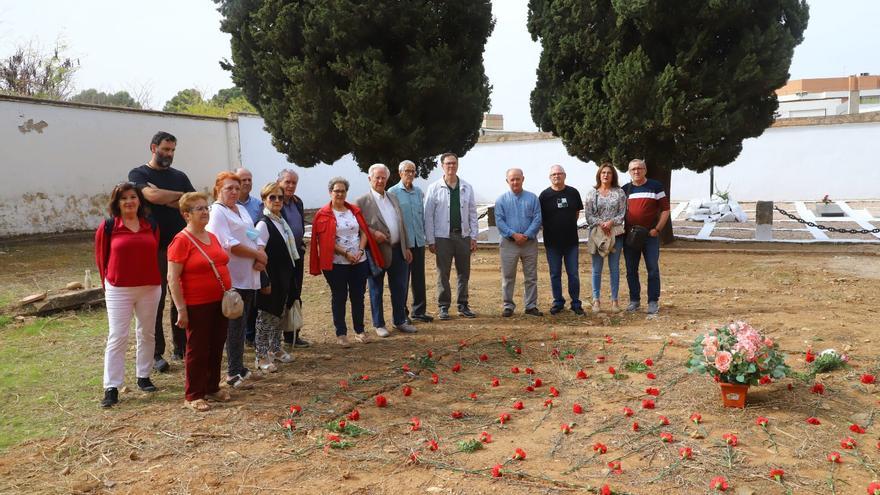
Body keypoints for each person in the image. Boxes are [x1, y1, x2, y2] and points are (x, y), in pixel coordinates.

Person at [128, 131, 195, 373]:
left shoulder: (179, 176)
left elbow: (193, 202)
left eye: (173, 150)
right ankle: (156, 353)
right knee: (155, 301)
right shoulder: (139, 174)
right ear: (153, 147)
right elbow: (151, 195)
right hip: (154, 247)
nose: (169, 154)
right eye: (165, 150)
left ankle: (182, 346)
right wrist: (168, 198)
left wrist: (165, 199)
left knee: (182, 297)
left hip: (180, 245)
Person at [94, 182, 162, 408]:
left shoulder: (151, 225)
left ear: (139, 200)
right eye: (124, 198)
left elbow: (154, 251)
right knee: (118, 336)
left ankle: (143, 376)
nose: (129, 202)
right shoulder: (109, 227)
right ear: (117, 203)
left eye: (133, 197)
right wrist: (107, 285)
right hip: (119, 288)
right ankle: (111, 386)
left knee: (147, 333)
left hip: (150, 287)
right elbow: (101, 259)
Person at [167, 192, 233, 412]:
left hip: (220, 301)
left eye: (206, 208)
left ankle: (212, 386)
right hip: (197, 303)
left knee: (216, 344)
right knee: (198, 348)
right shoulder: (181, 241)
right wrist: (181, 309)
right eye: (199, 209)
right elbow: (172, 278)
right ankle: (194, 394)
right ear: (186, 215)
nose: (205, 212)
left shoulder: (211, 236)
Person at [206, 172, 266, 388]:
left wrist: (261, 250)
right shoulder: (217, 213)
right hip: (232, 277)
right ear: (218, 190)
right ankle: (232, 373)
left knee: (242, 322)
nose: (233, 192)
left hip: (250, 274)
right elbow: (227, 244)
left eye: (236, 188)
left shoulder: (240, 209)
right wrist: (257, 255)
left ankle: (240, 366)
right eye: (228, 188)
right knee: (234, 324)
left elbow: (252, 234)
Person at [310, 177, 383, 346]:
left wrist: (360, 250)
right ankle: (341, 333)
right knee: (339, 296)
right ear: (330, 192)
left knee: (358, 296)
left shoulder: (354, 211)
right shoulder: (323, 214)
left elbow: (363, 232)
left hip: (359, 260)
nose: (340, 194)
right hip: (337, 263)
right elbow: (325, 240)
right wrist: (345, 253)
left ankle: (359, 331)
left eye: (343, 191)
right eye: (336, 190)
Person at [355, 164, 416, 337]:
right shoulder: (361, 202)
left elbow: (401, 223)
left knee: (400, 288)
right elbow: (359, 226)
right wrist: (373, 234)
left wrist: (407, 247)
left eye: (383, 178)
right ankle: (379, 324)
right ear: (370, 179)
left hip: (398, 251)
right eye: (377, 177)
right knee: (376, 289)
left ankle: (400, 321)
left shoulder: (393, 198)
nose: (380, 181)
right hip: (376, 253)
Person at [424, 152, 478, 320]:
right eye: (448, 164)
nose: (451, 166)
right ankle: (443, 306)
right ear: (442, 166)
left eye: (454, 163)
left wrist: (474, 237)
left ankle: (463, 304)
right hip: (442, 237)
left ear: (457, 165)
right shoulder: (434, 188)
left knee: (464, 273)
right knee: (443, 273)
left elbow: (472, 213)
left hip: (463, 236)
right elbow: (428, 216)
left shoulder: (466, 187)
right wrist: (431, 240)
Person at [254, 182, 299, 371]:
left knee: (278, 316)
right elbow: (258, 253)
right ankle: (261, 356)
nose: (277, 200)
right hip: (271, 278)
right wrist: (264, 280)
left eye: (280, 197)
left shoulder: (280, 221)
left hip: (284, 277)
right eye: (272, 197)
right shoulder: (263, 224)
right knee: (266, 318)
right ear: (264, 199)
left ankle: (275, 348)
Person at [622, 159, 670, 315]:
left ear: (645, 170)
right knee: (631, 270)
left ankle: (653, 301)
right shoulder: (625, 190)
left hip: (650, 235)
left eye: (639, 168)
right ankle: (634, 301)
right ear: (629, 172)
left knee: (653, 269)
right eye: (633, 169)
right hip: (630, 237)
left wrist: (658, 229)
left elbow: (665, 210)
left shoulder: (655, 186)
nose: (636, 171)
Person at [494, 168, 543, 317]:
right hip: (509, 244)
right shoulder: (501, 200)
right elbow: (499, 221)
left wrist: (526, 235)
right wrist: (514, 235)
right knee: (508, 277)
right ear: (507, 181)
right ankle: (508, 306)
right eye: (512, 179)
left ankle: (531, 306)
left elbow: (537, 218)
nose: (515, 182)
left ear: (523, 179)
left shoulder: (533, 198)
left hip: (529, 244)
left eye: (518, 179)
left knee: (531, 277)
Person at [388, 160, 432, 323]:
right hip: (403, 244)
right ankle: (402, 314)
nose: (410, 174)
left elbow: (422, 216)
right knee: (402, 280)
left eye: (413, 171)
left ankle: (419, 311)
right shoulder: (392, 192)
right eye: (407, 171)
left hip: (418, 241)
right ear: (400, 173)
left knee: (419, 278)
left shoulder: (419, 192)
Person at [538, 165, 585, 316]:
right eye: (553, 174)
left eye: (559, 174)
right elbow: (541, 218)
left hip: (571, 242)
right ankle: (558, 302)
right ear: (549, 177)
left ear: (564, 175)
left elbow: (577, 213)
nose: (556, 176)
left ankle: (576, 303)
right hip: (552, 243)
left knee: (573, 273)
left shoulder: (573, 192)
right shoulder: (544, 196)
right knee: (555, 274)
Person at [584, 163, 627, 313]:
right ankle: (596, 300)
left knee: (614, 268)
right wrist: (601, 223)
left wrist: (611, 222)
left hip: (615, 234)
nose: (606, 175)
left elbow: (622, 213)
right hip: (597, 235)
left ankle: (614, 301)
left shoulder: (620, 193)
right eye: (603, 173)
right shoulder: (592, 193)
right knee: (596, 269)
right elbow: (588, 215)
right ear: (599, 175)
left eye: (609, 173)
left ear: (613, 175)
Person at [278, 169, 310, 349]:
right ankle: (275, 338)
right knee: (281, 295)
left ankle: (292, 335)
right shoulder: (274, 200)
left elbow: (300, 225)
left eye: (293, 183)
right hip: (281, 257)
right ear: (279, 182)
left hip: (297, 254)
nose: (290, 186)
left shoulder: (297, 203)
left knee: (295, 294)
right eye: (287, 182)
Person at [235, 167, 261, 348]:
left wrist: (260, 250)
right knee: (237, 303)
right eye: (242, 180)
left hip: (252, 260)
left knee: (252, 301)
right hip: (234, 262)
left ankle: (250, 335)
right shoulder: (220, 209)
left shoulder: (255, 206)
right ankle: (237, 339)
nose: (246, 183)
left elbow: (255, 231)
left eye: (249, 179)